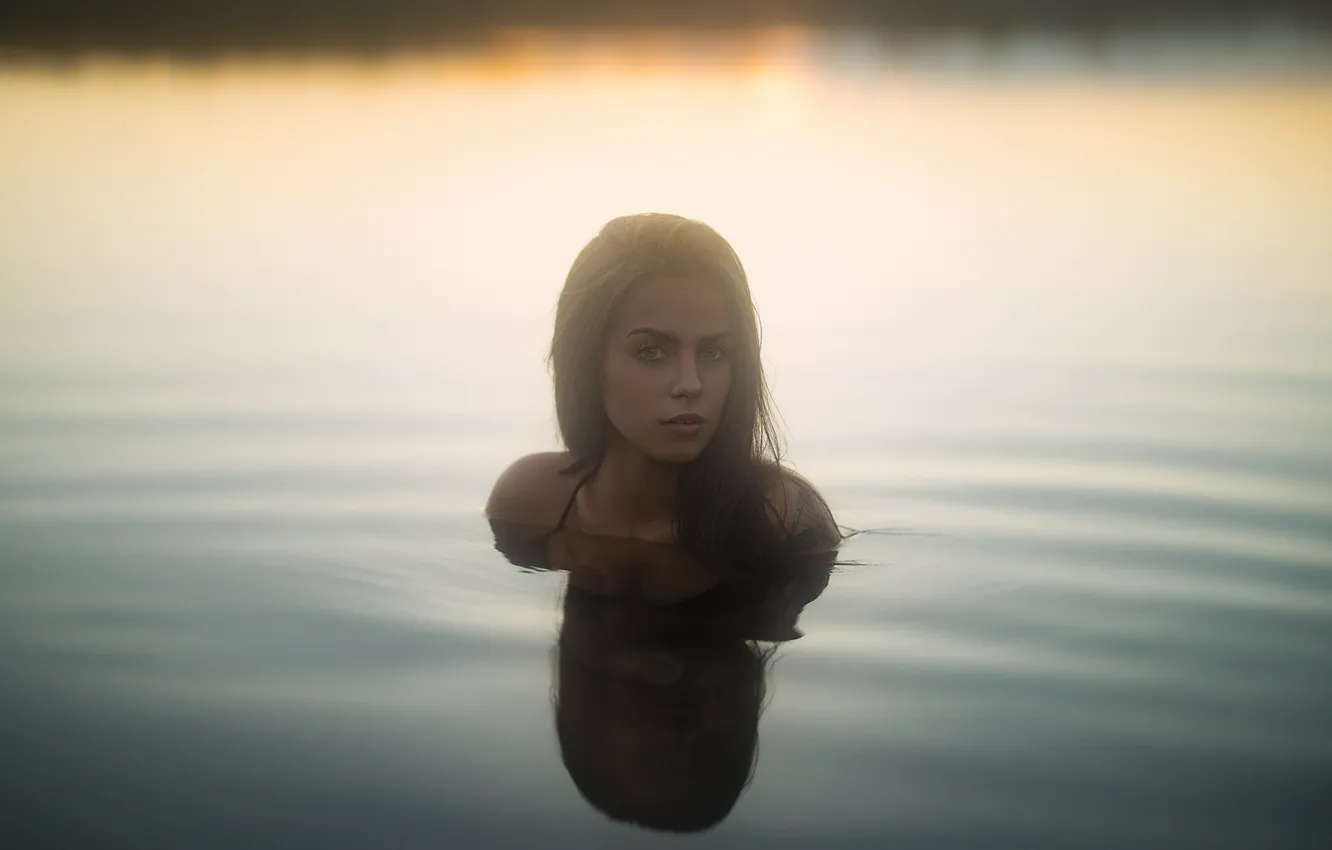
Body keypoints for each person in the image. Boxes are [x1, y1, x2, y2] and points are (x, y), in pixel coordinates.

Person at [486, 212, 840, 571]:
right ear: (585, 360)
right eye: (652, 352)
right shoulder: (530, 501)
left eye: (713, 352)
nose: (690, 384)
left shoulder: (782, 519)